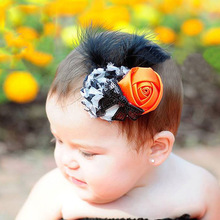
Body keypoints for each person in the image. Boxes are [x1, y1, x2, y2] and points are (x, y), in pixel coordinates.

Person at [16, 28, 220, 220]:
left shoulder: (199, 190)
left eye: (87, 153)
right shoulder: (55, 193)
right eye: (58, 140)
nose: (65, 160)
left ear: (156, 148)